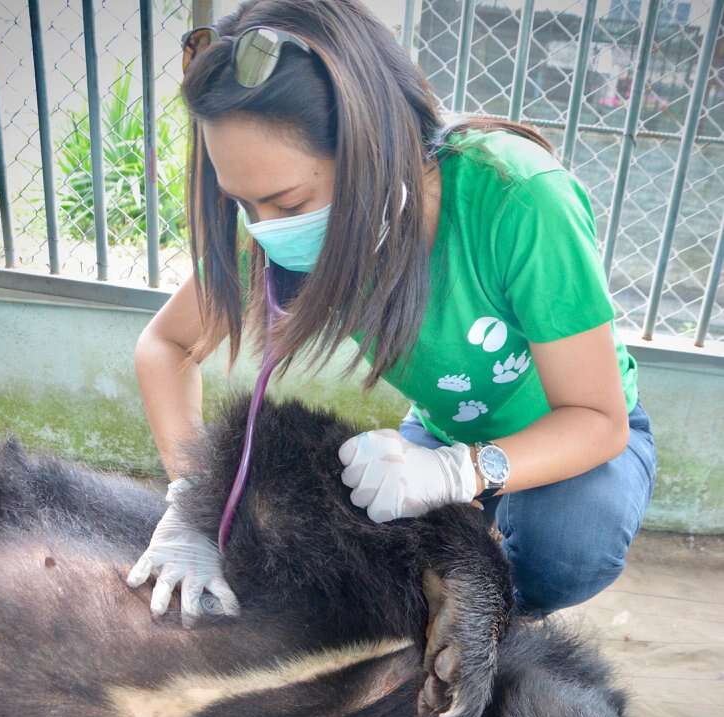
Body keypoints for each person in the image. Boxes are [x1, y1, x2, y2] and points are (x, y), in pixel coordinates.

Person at [129, 0, 657, 625]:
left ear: (373, 150)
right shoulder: (279, 226)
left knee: (560, 551)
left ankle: (515, 621)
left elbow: (598, 421)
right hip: (441, 428)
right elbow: (165, 347)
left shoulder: (522, 199)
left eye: (286, 201)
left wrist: (455, 473)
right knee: (358, 568)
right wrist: (191, 502)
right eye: (245, 205)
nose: (265, 232)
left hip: (570, 433)